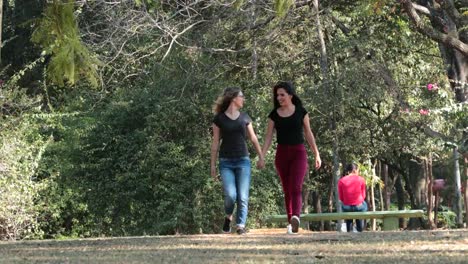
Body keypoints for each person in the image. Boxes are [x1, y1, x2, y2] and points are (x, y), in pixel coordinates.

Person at [258, 81, 321, 234]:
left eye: (282, 95)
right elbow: (268, 138)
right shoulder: (274, 115)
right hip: (281, 154)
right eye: (277, 95)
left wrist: (316, 154)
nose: (279, 98)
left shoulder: (301, 112)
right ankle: (290, 222)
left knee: (296, 187)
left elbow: (308, 133)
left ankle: (296, 217)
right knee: (287, 189)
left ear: (290, 95)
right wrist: (262, 156)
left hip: (298, 152)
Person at [210, 87, 264, 235]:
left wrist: (261, 156)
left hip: (243, 161)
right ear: (234, 98)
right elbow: (215, 143)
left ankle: (240, 225)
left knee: (243, 196)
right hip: (226, 161)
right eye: (241, 96)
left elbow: (253, 138)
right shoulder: (219, 119)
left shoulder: (245, 117)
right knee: (231, 195)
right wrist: (213, 166)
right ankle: (228, 216)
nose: (243, 99)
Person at [338, 163, 367, 232]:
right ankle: (360, 229)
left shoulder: (341, 181)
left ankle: (349, 230)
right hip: (359, 206)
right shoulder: (361, 179)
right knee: (364, 205)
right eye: (358, 171)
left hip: (347, 207)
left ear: (348, 171)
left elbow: (341, 197)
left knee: (347, 212)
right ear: (355, 170)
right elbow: (363, 196)